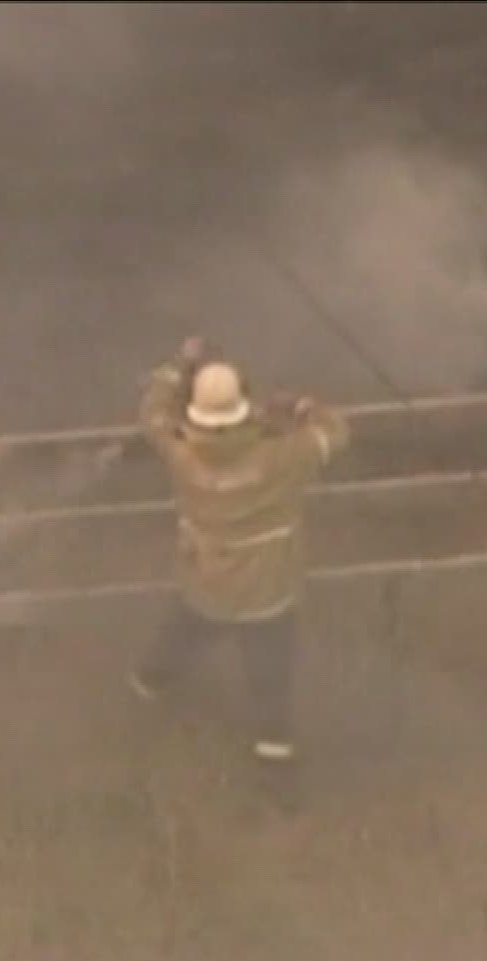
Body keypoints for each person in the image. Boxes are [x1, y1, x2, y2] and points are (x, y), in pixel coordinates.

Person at [130, 337, 350, 807]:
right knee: (270, 687)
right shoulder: (283, 458)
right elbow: (336, 432)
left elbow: (152, 412)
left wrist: (179, 364)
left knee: (175, 645)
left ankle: (137, 710)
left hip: (205, 584)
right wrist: (301, 407)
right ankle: (276, 783)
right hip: (269, 594)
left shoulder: (181, 453)